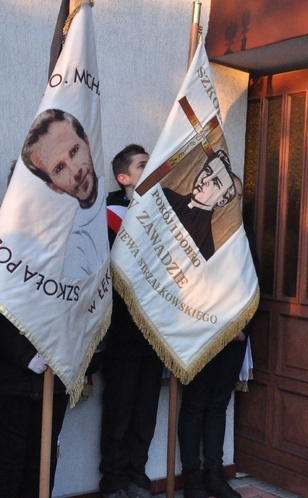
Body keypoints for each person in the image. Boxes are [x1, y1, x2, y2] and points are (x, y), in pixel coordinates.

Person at [177, 174, 252, 498]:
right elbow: (188, 286)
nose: (231, 201)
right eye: (227, 194)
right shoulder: (193, 231)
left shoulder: (242, 237)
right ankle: (192, 478)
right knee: (194, 405)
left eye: (237, 196)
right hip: (203, 334)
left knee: (218, 404)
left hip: (235, 337)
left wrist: (244, 325)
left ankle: (215, 474)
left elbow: (253, 283)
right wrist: (219, 324)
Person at [100, 144, 164, 498]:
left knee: (145, 410)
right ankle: (113, 481)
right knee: (119, 408)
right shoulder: (107, 215)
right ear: (124, 178)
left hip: (154, 330)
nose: (149, 169)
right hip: (121, 329)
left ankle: (137, 475)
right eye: (142, 166)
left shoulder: (163, 216)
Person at [21, 108, 107, 278]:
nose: (75, 171)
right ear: (54, 186)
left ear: (87, 142)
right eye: (59, 168)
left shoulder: (127, 200)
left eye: (74, 151)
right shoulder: (78, 250)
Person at [0, 315, 69, 497]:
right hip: (11, 381)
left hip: (57, 377)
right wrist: (26, 355)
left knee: (42, 461)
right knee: (8, 460)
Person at [162, 149, 238, 260]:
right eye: (207, 171)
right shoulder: (165, 196)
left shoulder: (207, 246)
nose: (205, 179)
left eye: (215, 182)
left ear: (222, 200)